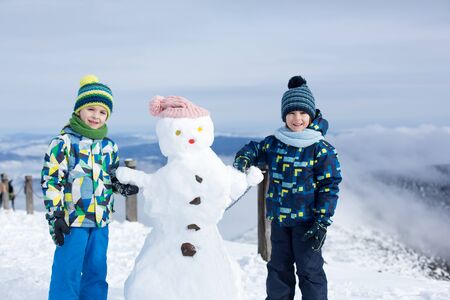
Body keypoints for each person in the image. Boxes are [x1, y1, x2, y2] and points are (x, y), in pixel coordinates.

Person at [233, 75, 342, 300]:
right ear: (284, 116)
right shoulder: (275, 142)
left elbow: (329, 185)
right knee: (278, 270)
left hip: (308, 223)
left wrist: (322, 221)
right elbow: (254, 148)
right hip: (280, 221)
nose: (297, 118)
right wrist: (244, 158)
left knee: (310, 272)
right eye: (291, 113)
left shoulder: (320, 149)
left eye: (303, 113)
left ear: (311, 115)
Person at [41, 74, 139, 300]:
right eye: (91, 109)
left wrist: (118, 185)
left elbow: (110, 175)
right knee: (68, 271)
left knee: (96, 271)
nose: (96, 116)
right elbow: (52, 181)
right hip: (71, 220)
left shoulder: (109, 146)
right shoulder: (64, 142)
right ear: (79, 110)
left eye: (103, 111)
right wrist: (55, 215)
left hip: (101, 220)